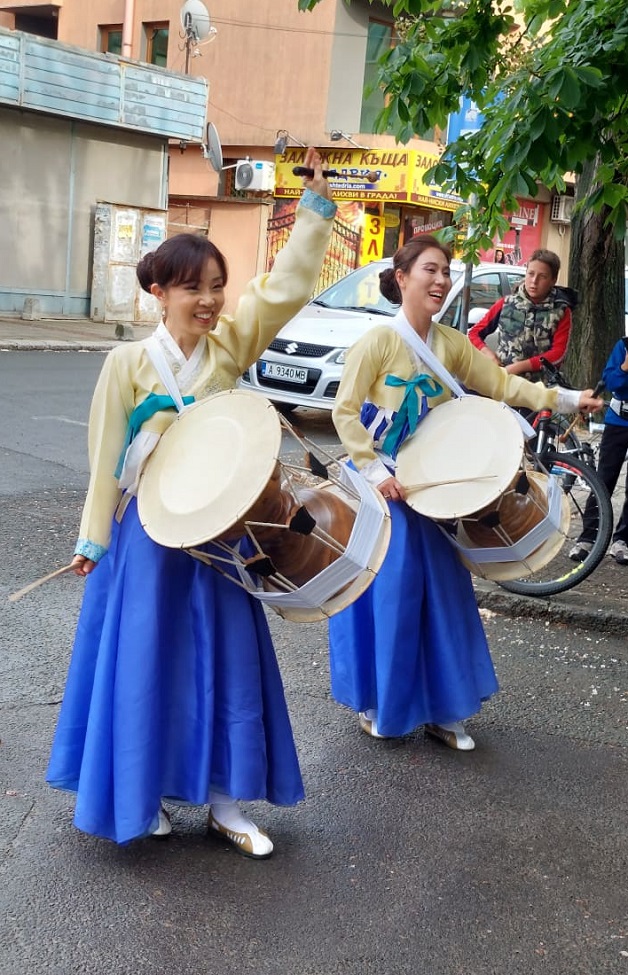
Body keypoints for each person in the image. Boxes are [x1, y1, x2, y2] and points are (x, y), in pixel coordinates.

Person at [46, 149, 337, 854]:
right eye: (191, 288)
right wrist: (94, 539)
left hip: (220, 538)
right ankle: (141, 795)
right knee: (147, 666)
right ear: (158, 292)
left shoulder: (227, 350)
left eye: (215, 286)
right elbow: (105, 461)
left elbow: (281, 292)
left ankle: (227, 801)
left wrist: (316, 213)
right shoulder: (126, 364)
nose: (208, 300)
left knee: (227, 664)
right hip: (147, 538)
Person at [328, 235, 603, 749]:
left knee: (444, 597)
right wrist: (372, 473)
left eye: (446, 270)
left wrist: (566, 398)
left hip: (435, 488)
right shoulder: (378, 342)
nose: (440, 279)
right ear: (402, 276)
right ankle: (379, 702)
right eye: (429, 269)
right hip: (385, 489)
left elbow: (503, 386)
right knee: (391, 595)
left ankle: (442, 707)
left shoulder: (451, 345)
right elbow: (344, 413)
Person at [468, 249, 576, 382]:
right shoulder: (506, 304)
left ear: (553, 280)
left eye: (542, 276)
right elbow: (474, 334)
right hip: (501, 383)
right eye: (531, 274)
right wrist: (490, 355)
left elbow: (558, 354)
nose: (534, 281)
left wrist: (519, 367)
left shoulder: (561, 312)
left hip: (539, 390)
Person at [569, 337, 628, 565]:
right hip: (618, 422)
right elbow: (611, 382)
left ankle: (622, 540)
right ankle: (589, 537)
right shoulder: (624, 345)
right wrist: (624, 367)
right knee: (604, 480)